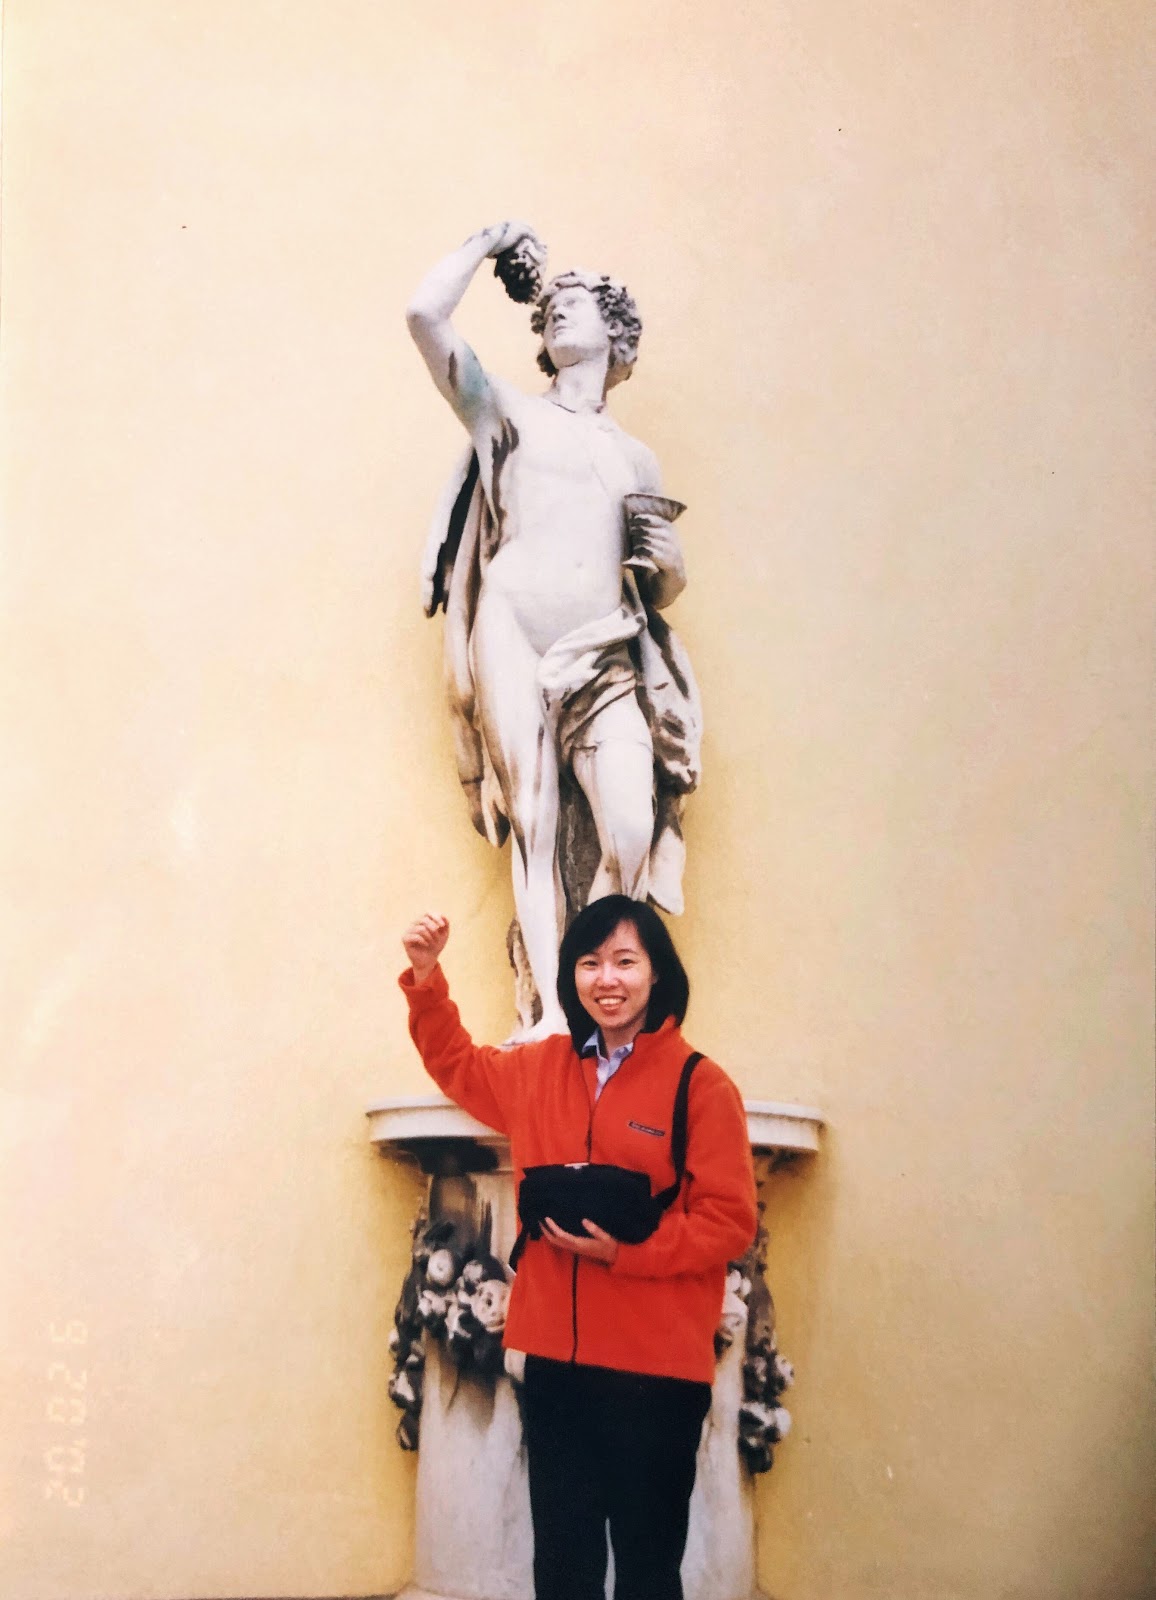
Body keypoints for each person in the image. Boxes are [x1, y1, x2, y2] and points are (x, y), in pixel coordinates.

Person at [400, 894, 757, 1600]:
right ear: (572, 977)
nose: (607, 979)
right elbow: (458, 1065)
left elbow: (728, 1222)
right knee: (564, 1571)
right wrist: (426, 977)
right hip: (557, 1368)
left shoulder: (702, 1086)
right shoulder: (539, 1069)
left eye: (626, 961)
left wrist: (624, 1252)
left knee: (648, 1573)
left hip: (655, 1372)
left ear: (657, 974)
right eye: (591, 962)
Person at [407, 224, 702, 1038]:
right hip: (515, 629)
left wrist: (672, 566)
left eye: (578, 301)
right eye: (552, 305)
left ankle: (597, 987)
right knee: (534, 828)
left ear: (617, 331)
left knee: (631, 827)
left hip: (604, 648)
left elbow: (656, 587)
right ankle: (551, 1020)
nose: (559, 310)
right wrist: (489, 241)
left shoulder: (636, 459)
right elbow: (424, 316)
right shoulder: (504, 411)